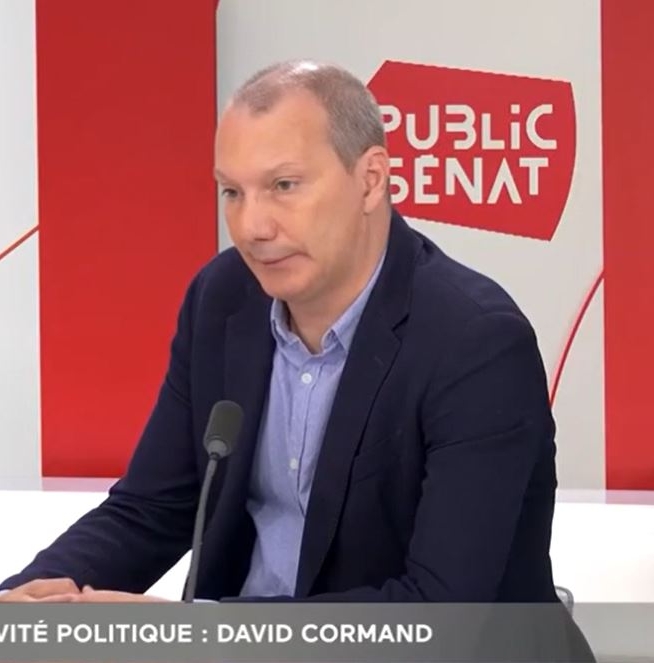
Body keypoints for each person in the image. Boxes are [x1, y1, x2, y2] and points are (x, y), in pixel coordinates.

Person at [1, 60, 559, 605]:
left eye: (284, 185)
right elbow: (152, 508)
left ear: (370, 180)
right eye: (232, 193)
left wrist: (199, 634)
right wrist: (22, 610)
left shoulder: (476, 343)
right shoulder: (223, 298)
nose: (252, 227)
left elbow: (441, 606)